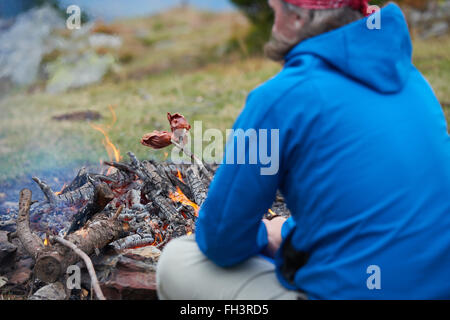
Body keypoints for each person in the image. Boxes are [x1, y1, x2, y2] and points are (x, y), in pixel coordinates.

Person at [156, 0, 450, 299]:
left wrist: (264, 235)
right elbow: (373, 200)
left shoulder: (281, 99)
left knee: (179, 260)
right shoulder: (413, 80)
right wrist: (286, 233)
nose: (273, 25)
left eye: (276, 11)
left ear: (298, 17)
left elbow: (221, 240)